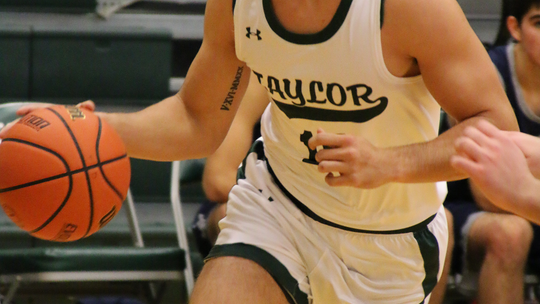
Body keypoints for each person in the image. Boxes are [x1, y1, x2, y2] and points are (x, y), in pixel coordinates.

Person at [0, 0, 519, 303]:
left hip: (388, 241)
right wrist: (97, 130)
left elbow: (495, 124)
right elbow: (197, 118)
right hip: (279, 210)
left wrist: (391, 163)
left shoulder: (408, 9)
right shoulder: (237, 6)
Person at [442, 0, 540, 302]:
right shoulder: (486, 72)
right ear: (514, 28)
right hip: (465, 206)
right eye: (539, 23)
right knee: (511, 233)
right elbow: (489, 195)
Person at [192, 74, 269, 257]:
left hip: (332, 207)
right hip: (266, 201)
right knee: (228, 215)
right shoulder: (269, 72)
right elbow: (218, 180)